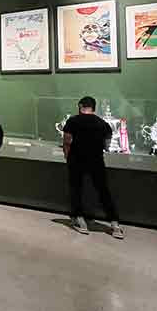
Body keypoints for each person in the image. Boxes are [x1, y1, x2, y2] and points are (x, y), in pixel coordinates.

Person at [62, 96, 124, 239]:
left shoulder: (72, 121)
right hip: (96, 161)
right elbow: (107, 145)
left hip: (76, 160)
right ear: (94, 108)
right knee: (103, 191)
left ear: (80, 106)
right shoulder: (103, 124)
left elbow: (67, 141)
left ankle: (80, 221)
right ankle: (114, 224)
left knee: (76, 189)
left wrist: (67, 157)